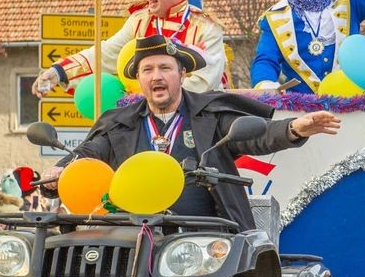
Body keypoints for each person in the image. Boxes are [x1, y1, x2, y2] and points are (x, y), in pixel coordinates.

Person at [42, 34, 340, 228]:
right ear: (140, 80)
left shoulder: (208, 114)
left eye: (165, 68)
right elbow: (88, 154)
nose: (156, 76)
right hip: (132, 237)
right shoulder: (120, 122)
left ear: (181, 74)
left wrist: (293, 128)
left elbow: (255, 134)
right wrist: (61, 171)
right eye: (148, 70)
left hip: (205, 241)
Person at [32, 0, 228, 96]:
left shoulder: (206, 27)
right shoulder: (140, 21)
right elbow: (107, 53)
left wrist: (152, 99)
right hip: (146, 113)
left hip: (196, 120)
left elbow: (204, 82)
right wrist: (58, 72)